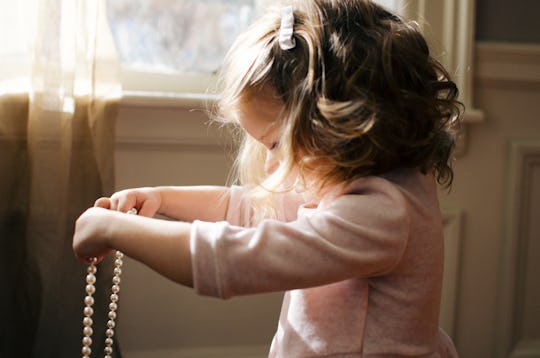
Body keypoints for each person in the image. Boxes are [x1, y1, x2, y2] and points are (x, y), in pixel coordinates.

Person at [72, 0, 463, 356]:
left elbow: (234, 258)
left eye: (277, 144)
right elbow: (246, 206)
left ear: (343, 124)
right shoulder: (351, 181)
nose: (274, 164)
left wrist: (113, 230)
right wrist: (160, 198)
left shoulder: (381, 213)